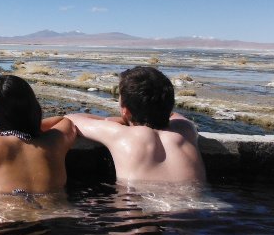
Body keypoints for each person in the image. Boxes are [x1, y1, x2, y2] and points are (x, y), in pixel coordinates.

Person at [67, 66, 206, 183]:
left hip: (142, 211)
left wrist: (111, 120)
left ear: (125, 111)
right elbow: (174, 115)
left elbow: (72, 119)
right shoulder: (187, 129)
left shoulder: (121, 135)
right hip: (203, 210)